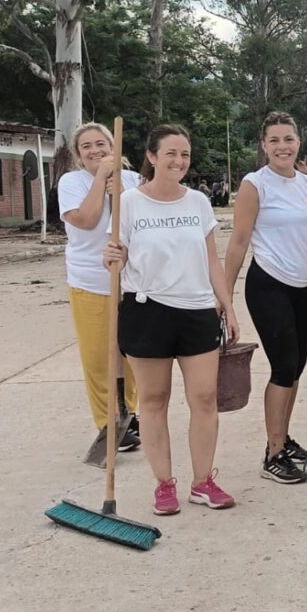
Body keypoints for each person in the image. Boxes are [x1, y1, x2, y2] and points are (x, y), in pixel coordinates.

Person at [103, 124, 240, 515]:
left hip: (197, 310)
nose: (179, 161)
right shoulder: (128, 203)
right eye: (171, 154)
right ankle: (164, 485)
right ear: (151, 157)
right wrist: (110, 258)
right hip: (147, 311)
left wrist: (227, 305)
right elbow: (116, 255)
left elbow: (211, 259)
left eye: (185, 155)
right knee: (153, 399)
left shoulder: (198, 202)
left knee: (204, 397)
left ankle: (203, 482)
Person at [225, 112, 307, 485]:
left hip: (299, 286)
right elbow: (239, 242)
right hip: (268, 284)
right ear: (264, 145)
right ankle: (273, 454)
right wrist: (224, 298)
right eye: (274, 140)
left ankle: (285, 438)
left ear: (298, 142)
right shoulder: (254, 184)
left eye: (288, 139)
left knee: (297, 367)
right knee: (283, 367)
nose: (282, 147)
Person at [58, 123, 141, 454]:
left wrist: (119, 191)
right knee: (98, 356)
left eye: (101, 144)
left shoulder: (134, 181)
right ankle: (107, 422)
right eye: (86, 147)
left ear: (114, 146)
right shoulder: (71, 182)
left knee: (134, 352)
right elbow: (87, 219)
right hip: (90, 282)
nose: (95, 151)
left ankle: (129, 414)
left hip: (132, 281)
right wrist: (100, 180)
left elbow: (138, 226)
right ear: (79, 155)